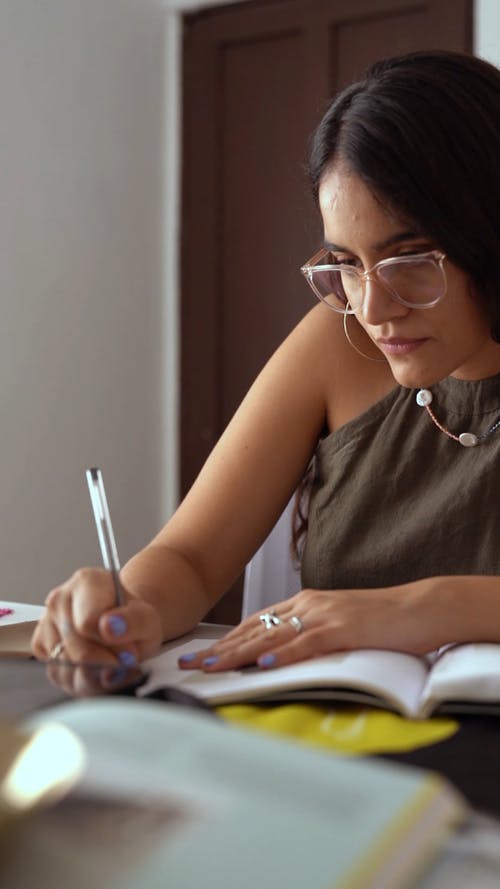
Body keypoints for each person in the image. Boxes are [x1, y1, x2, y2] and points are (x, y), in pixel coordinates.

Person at [33, 49, 500, 675]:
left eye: (410, 259)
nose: (373, 306)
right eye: (346, 264)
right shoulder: (338, 345)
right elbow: (191, 558)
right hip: (333, 742)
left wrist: (425, 607)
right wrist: (125, 608)